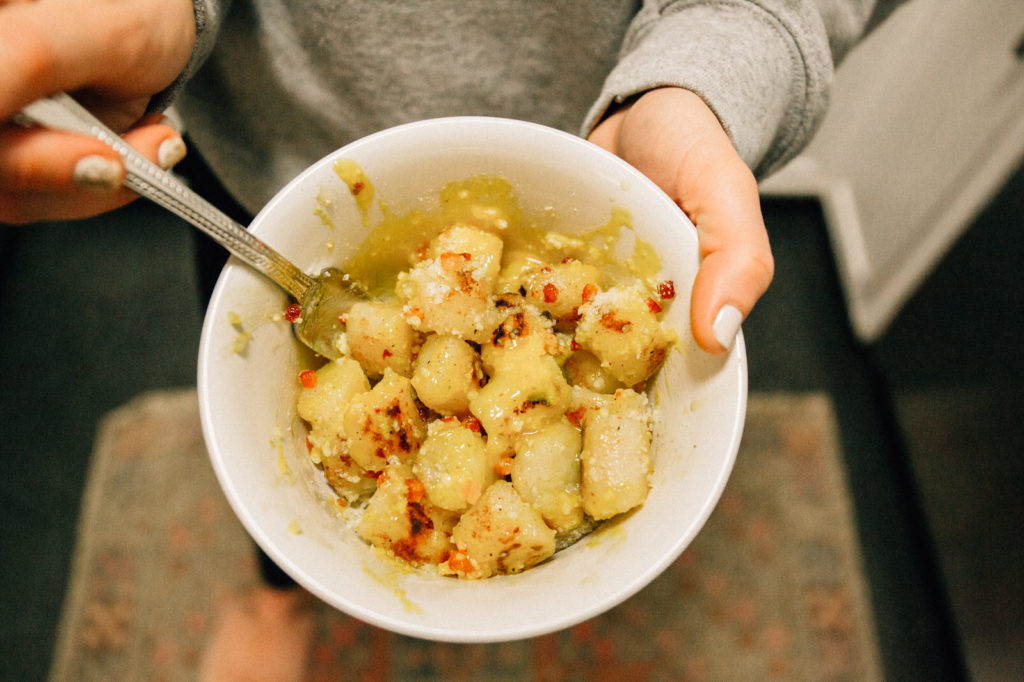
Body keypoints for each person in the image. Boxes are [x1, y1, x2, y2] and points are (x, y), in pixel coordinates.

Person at [0, 0, 905, 678]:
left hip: (615, 135)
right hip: (272, 192)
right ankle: (279, 597)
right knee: (269, 428)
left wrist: (713, 70)